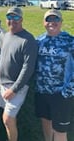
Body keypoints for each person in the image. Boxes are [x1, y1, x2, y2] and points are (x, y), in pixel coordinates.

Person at [0, 7, 38, 141]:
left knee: (8, 119)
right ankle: (8, 134)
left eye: (16, 18)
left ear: (21, 19)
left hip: (17, 86)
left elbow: (28, 68)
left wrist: (14, 89)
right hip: (2, 82)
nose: (13, 21)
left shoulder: (28, 40)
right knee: (7, 115)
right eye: (10, 18)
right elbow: (3, 55)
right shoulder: (6, 36)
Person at [34, 9, 74, 141]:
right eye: (48, 19)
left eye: (56, 19)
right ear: (43, 22)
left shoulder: (70, 41)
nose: (52, 22)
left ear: (61, 22)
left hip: (61, 94)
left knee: (60, 131)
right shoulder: (39, 41)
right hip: (42, 92)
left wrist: (68, 91)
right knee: (46, 123)